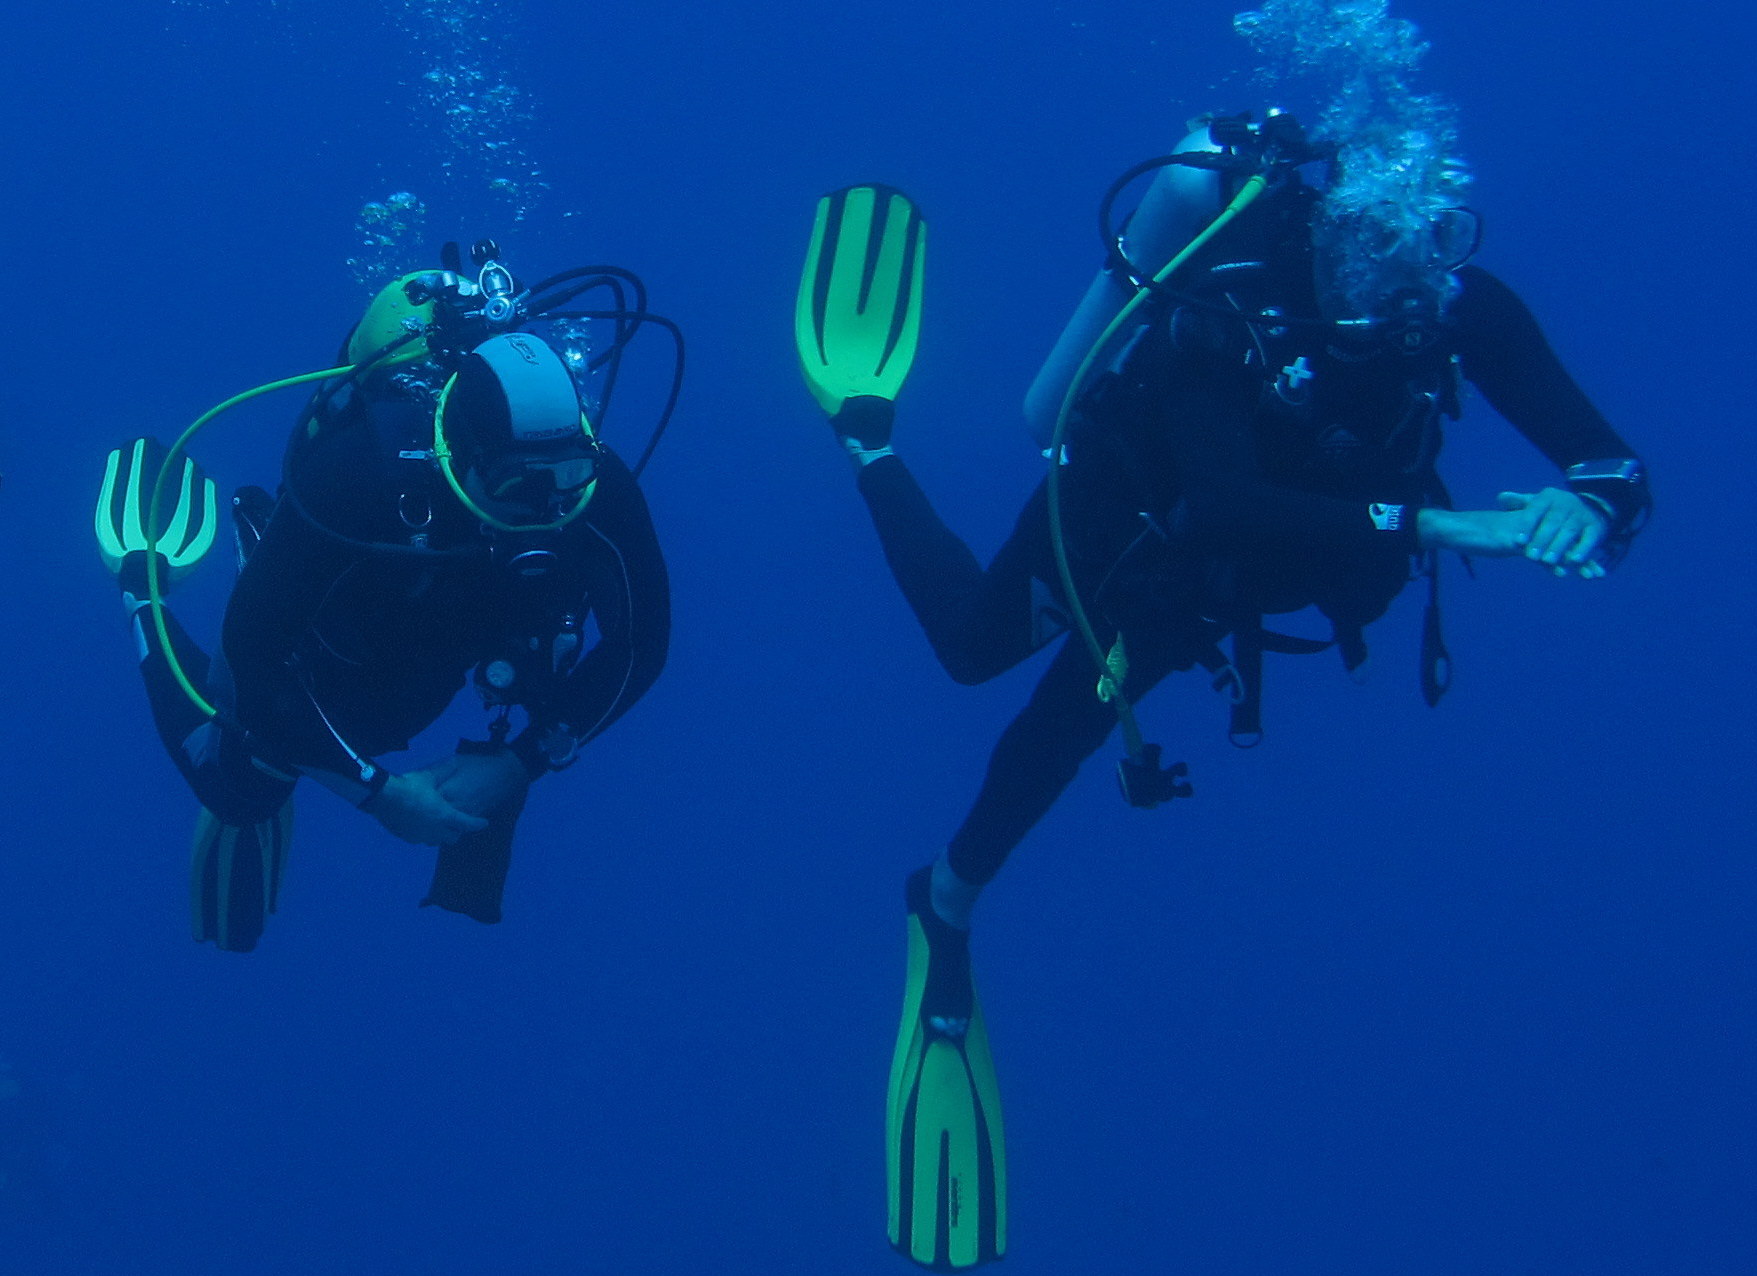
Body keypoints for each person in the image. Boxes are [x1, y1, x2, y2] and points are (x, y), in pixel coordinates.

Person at [795, 111, 1650, 1270]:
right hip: (1131, 523)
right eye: (1370, 263)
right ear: (1324, 239)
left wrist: (1583, 505)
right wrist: (1452, 524)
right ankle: (866, 442)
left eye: (1415, 265)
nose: (1393, 295)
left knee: (1069, 718)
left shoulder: (1454, 305)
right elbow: (1218, 500)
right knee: (979, 659)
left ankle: (945, 899)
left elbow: (1611, 462)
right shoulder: (1228, 298)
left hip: (1257, 565)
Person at [96, 242, 678, 952]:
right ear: (462, 461)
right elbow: (255, 655)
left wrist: (517, 762)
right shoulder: (362, 474)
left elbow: (643, 642)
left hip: (445, 626)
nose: (549, 509)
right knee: (236, 786)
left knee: (424, 707)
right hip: (349, 613)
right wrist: (378, 794)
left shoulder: (595, 485)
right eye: (517, 489)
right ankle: (142, 583)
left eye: (568, 476)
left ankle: (280, 576)